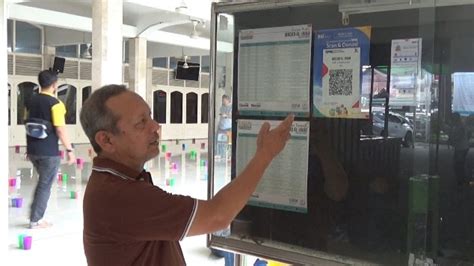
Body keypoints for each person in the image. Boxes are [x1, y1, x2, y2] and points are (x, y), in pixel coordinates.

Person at [79, 84, 293, 265]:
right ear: (106, 140)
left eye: (150, 116)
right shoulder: (118, 195)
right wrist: (265, 153)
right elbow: (217, 216)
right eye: (140, 123)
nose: (155, 126)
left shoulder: (119, 181)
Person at [26, 69, 75, 229]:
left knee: (43, 183)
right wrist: (70, 150)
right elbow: (60, 129)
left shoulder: (32, 100)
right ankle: (36, 219)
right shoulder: (56, 104)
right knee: (45, 185)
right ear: (54, 85)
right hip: (48, 152)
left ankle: (35, 214)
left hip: (33, 150)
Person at [449, 113, 470, 187]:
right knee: (459, 164)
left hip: (461, 148)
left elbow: (459, 136)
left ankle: (461, 180)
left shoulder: (460, 126)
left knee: (458, 164)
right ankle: (462, 179)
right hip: (463, 147)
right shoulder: (460, 125)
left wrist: (453, 140)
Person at [217, 94, 232, 159]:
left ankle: (228, 156)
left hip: (228, 127)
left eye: (224, 100)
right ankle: (220, 155)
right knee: (219, 142)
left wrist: (226, 116)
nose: (223, 102)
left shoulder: (231, 107)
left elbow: (232, 116)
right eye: (222, 100)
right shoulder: (222, 107)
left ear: (228, 100)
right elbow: (220, 115)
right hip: (221, 127)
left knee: (228, 142)